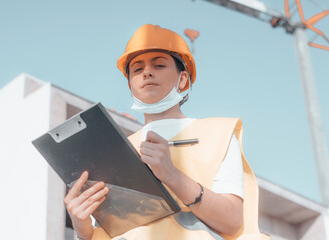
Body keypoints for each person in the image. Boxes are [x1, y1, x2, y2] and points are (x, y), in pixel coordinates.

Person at [64, 24, 269, 240]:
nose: (148, 72)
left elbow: (231, 222)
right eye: (137, 69)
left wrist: (171, 175)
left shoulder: (217, 133)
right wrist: (82, 229)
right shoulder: (114, 153)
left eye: (159, 65)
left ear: (182, 79)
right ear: (130, 85)